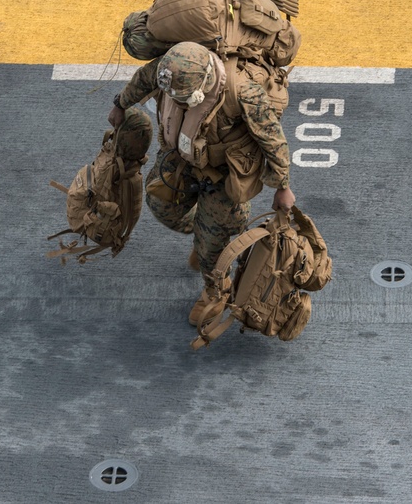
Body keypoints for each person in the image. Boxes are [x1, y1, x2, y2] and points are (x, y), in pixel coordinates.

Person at [108, 41, 296, 325]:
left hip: (223, 172)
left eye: (186, 98)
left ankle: (216, 289)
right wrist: (120, 104)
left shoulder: (243, 92)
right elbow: (144, 79)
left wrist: (283, 186)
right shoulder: (167, 70)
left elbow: (272, 138)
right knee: (161, 205)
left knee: (210, 246)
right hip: (182, 155)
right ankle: (212, 228)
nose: (180, 103)